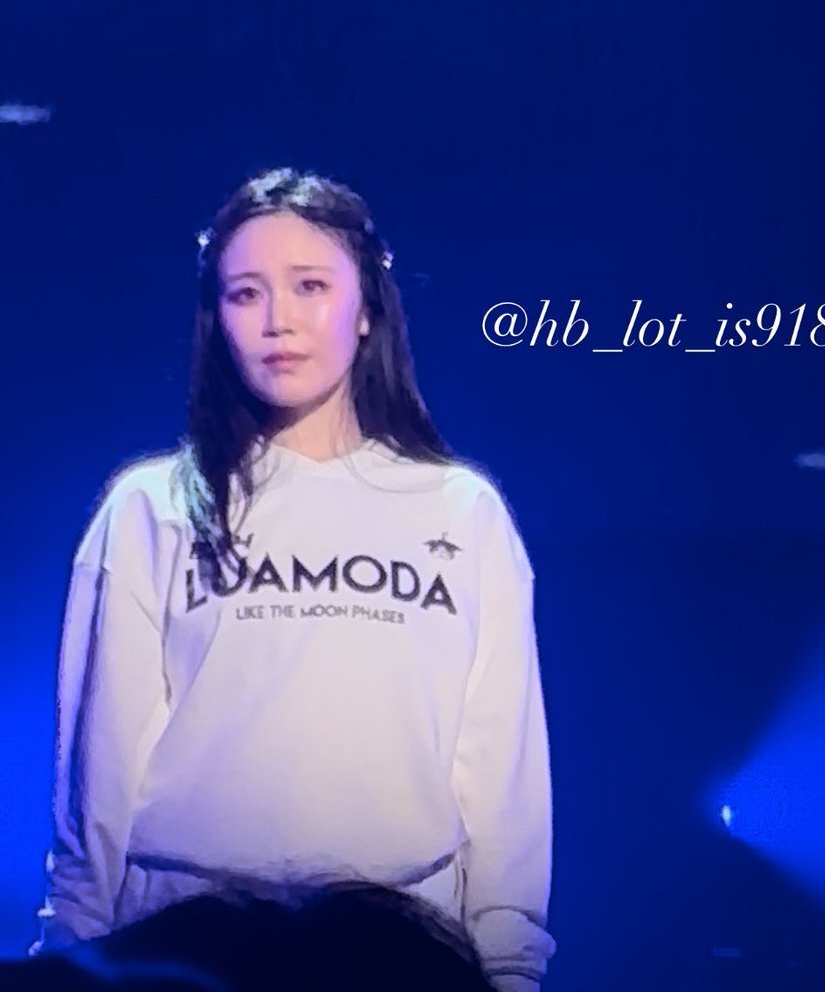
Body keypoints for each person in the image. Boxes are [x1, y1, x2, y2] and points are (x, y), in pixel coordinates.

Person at [31, 167, 557, 992]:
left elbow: (499, 769)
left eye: (310, 285)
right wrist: (73, 946)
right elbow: (97, 767)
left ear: (367, 306)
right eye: (245, 293)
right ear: (217, 319)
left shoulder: (460, 510)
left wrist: (509, 967)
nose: (278, 319)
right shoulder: (151, 506)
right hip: (182, 943)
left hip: (394, 948)